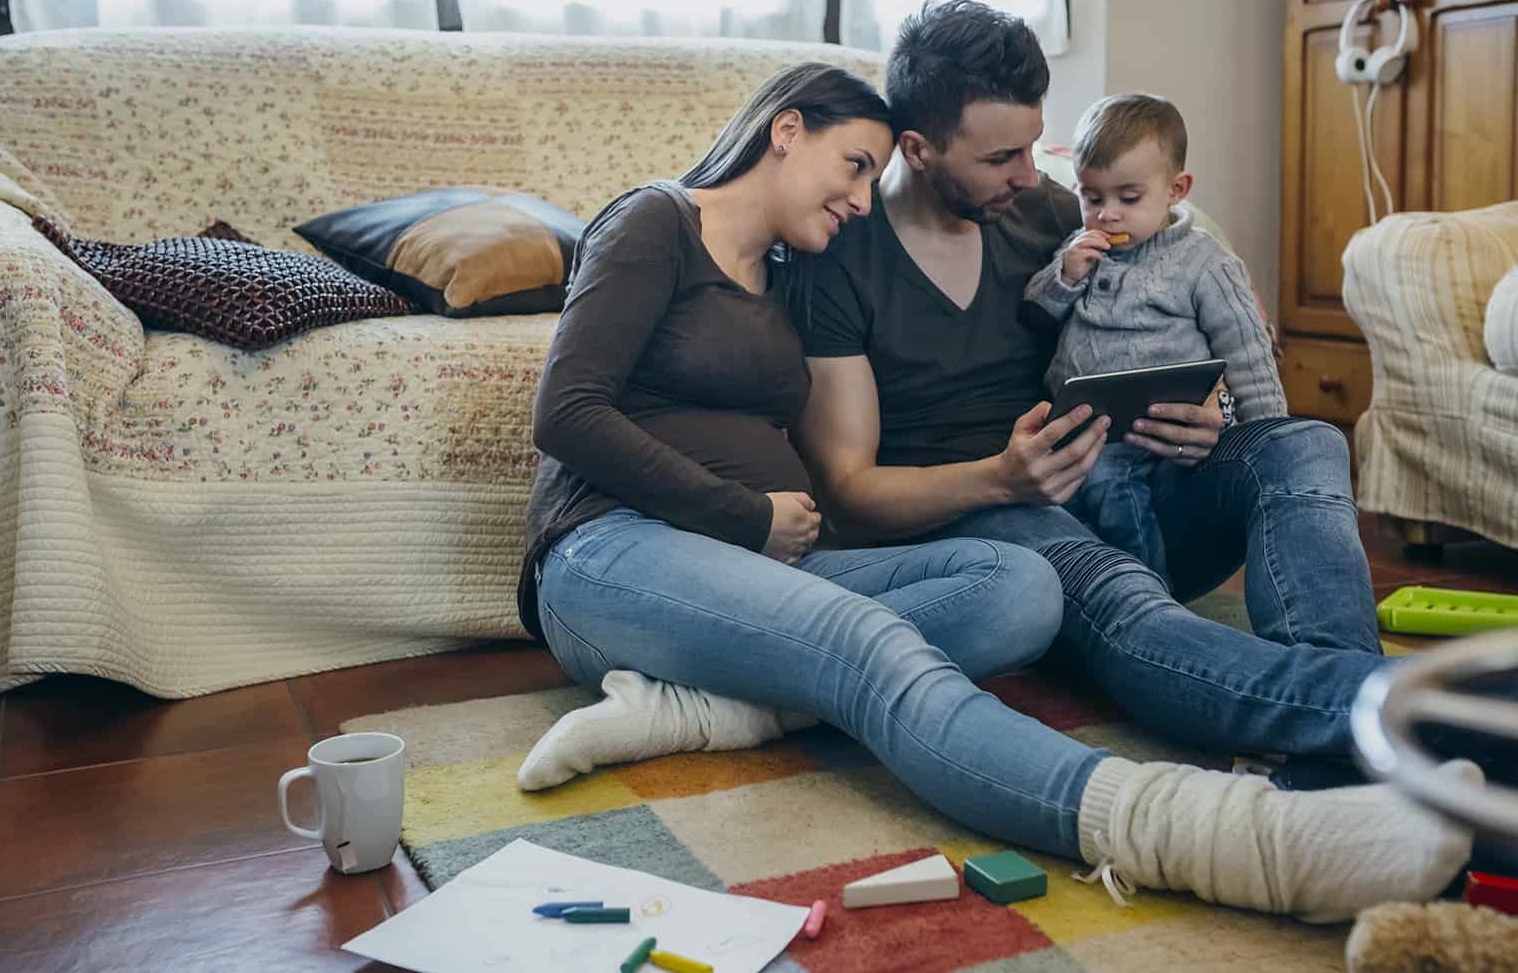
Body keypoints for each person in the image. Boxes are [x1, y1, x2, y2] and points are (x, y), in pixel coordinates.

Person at [517, 55, 1477, 923]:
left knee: (1026, 587)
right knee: (873, 645)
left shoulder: (796, 259)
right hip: (615, 547)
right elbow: (568, 414)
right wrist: (750, 513)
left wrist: (1216, 398)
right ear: (787, 129)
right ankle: (1213, 829)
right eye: (855, 164)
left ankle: (714, 707)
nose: (861, 193)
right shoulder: (658, 221)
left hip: (762, 568)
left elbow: (1164, 269)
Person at [1021, 92, 1286, 579]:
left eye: (1129, 198)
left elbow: (1247, 353)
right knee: (1070, 504)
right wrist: (1064, 274)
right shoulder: (1081, 248)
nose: (1108, 215)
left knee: (1111, 488)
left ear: (1176, 189)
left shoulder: (1204, 263)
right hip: (1080, 423)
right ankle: (1094, 589)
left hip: (1153, 428)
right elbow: (1037, 312)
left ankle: (1145, 593)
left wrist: (1268, 437)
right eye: (1092, 196)